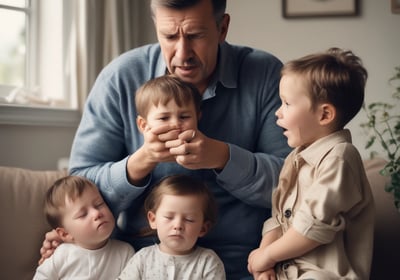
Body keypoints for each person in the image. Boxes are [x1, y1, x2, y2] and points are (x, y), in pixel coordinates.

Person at [39, 0, 291, 278]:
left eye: (195, 35)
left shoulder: (265, 74)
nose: (183, 54)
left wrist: (223, 157)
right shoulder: (120, 78)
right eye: (169, 36)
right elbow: (77, 189)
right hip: (142, 263)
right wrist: (140, 162)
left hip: (245, 264)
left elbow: (295, 184)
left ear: (222, 28)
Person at [247, 47, 375, 280]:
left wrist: (268, 256)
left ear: (325, 115)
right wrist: (263, 260)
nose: (278, 113)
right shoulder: (295, 157)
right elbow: (278, 218)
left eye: (286, 103)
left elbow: (312, 229)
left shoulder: (340, 158)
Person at [117, 174, 226, 279]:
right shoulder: (142, 258)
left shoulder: (208, 262)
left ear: (203, 228)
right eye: (169, 217)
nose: (178, 226)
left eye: (189, 219)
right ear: (153, 219)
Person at [33, 176, 134, 280]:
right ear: (65, 234)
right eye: (83, 214)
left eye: (99, 204)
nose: (97, 213)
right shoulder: (61, 255)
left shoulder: (125, 252)